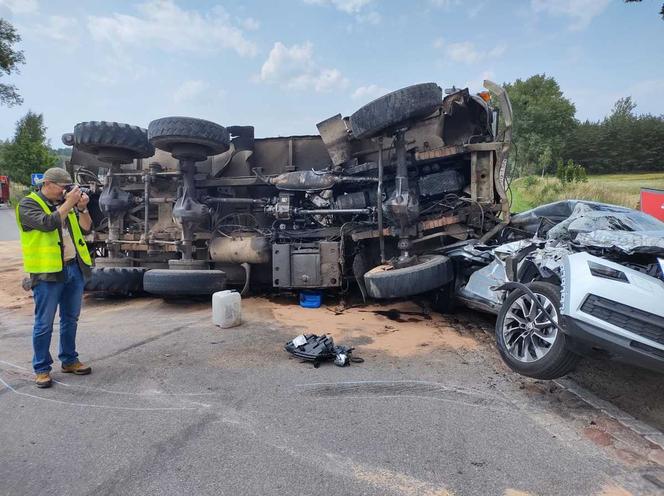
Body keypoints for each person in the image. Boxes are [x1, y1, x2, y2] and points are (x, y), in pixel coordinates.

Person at [16, 167, 93, 388]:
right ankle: (41, 369)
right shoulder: (28, 204)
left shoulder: (64, 205)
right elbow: (48, 223)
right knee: (44, 323)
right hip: (47, 273)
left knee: (70, 318)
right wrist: (68, 204)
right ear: (47, 184)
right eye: (62, 187)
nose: (65, 192)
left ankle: (69, 360)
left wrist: (83, 208)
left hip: (73, 269)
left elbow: (87, 229)